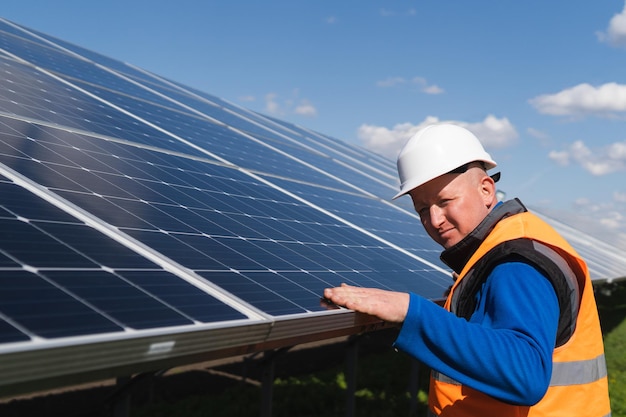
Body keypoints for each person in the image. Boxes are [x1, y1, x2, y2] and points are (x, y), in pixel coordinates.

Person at [323, 123, 611, 416]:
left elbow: (525, 376)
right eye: (422, 209)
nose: (435, 219)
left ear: (486, 189)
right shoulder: (498, 252)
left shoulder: (516, 262)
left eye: (445, 201)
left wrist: (411, 311)